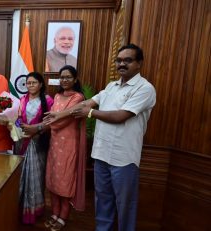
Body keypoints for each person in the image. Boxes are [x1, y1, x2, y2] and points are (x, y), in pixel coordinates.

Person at [45, 44, 156, 231]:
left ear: (139, 63)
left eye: (128, 60)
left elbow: (120, 116)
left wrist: (90, 113)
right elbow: (87, 103)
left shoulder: (145, 88)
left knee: (125, 206)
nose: (122, 63)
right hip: (101, 155)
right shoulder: (111, 87)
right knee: (103, 201)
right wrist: (60, 115)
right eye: (119, 60)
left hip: (124, 159)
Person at [44, 65, 86, 231]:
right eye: (62, 77)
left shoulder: (78, 98)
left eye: (68, 77)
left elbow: (63, 120)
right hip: (54, 144)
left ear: (75, 79)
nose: (65, 80)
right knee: (53, 178)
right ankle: (54, 213)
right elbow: (52, 118)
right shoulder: (57, 95)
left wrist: (41, 127)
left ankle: (63, 216)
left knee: (65, 181)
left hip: (69, 145)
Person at [16, 72, 54, 224]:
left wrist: (35, 129)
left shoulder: (48, 100)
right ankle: (20, 209)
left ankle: (33, 210)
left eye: (33, 82)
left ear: (40, 84)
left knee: (36, 177)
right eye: (28, 83)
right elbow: (17, 119)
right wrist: (22, 126)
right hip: (22, 142)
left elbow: (51, 122)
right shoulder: (22, 99)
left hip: (38, 144)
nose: (30, 85)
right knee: (20, 177)